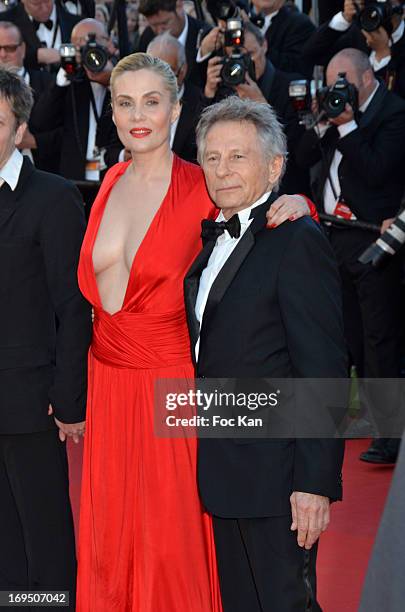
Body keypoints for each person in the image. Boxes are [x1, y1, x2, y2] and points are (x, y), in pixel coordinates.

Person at [75, 51, 318, 610]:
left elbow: (256, 203)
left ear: (176, 110)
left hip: (174, 389)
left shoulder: (201, 186)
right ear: (110, 111)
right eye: (126, 102)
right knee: (113, 541)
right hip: (108, 387)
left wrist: (298, 201)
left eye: (153, 102)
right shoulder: (108, 181)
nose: (139, 115)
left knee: (170, 543)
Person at [183, 95, 346, 612]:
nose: (222, 170)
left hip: (279, 479)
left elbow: (323, 369)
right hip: (226, 472)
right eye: (212, 157)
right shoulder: (211, 240)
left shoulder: (296, 239)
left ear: (275, 166)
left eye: (238, 156)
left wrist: (314, 484)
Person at [0, 69, 92, 609]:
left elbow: (72, 304)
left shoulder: (53, 197)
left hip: (32, 399)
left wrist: (68, 396)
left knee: (44, 531)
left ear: (19, 129)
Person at [296, 48, 405, 463]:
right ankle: (353, 420)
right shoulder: (334, 114)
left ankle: (390, 436)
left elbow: (378, 171)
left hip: (375, 241)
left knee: (380, 339)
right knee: (347, 337)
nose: (338, 90)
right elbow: (301, 158)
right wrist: (323, 122)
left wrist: (349, 127)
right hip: (333, 237)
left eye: (344, 82)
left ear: (365, 79)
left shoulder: (393, 113)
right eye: (333, 83)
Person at [30, 18, 121, 183]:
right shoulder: (68, 82)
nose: (89, 52)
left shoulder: (122, 76)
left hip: (113, 177)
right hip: (74, 178)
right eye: (80, 45)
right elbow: (40, 123)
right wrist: (65, 75)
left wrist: (113, 80)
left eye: (94, 43)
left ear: (108, 43)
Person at [302, 0, 405, 99]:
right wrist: (344, 18)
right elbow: (311, 54)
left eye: (388, 6)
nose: (379, 10)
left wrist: (382, 54)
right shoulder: (359, 33)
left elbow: (394, 103)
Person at [147, 32, 205, 162]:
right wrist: (124, 155)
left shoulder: (200, 103)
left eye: (166, 72)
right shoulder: (133, 99)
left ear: (183, 70)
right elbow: (111, 148)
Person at [0, 0, 81, 70]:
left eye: (47, 1)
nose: (44, 8)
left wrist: (66, 55)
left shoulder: (78, 24)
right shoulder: (3, 21)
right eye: (36, 4)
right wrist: (37, 56)